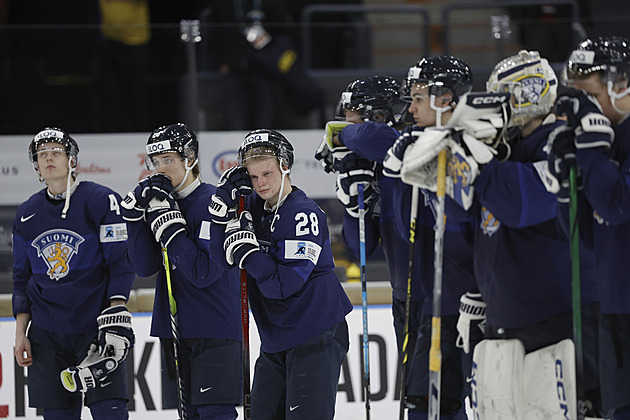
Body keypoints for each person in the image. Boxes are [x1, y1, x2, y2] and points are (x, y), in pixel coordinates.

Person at [208, 129, 352, 419]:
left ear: (285, 167)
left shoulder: (304, 214)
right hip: (276, 338)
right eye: (253, 177)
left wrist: (248, 255)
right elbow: (218, 260)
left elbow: (284, 285)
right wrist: (220, 209)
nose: (260, 184)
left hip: (315, 332)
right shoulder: (249, 206)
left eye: (267, 174)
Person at [314, 74, 428, 406]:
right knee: (416, 396)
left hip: (436, 291)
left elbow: (378, 138)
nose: (347, 124)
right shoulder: (373, 155)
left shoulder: (410, 141)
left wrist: (340, 134)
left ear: (377, 115)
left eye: (352, 116)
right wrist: (354, 205)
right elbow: (361, 245)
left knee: (437, 398)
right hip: (404, 293)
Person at [121, 123, 242, 419]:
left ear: (190, 158)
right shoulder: (159, 203)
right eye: (156, 162)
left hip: (215, 329)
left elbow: (204, 272)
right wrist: (135, 219)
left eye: (168, 160)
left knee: (215, 414)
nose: (160, 169)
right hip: (174, 329)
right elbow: (144, 266)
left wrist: (171, 229)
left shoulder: (215, 203)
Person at [12, 127, 135, 419]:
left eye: (56, 152)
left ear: (72, 160)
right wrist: (20, 334)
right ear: (36, 164)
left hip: (96, 328)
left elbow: (120, 261)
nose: (49, 158)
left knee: (110, 412)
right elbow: (21, 278)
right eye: (42, 154)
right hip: (47, 335)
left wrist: (116, 312)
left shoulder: (102, 200)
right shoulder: (26, 214)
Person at [382, 56, 477, 420]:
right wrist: (391, 174)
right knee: (425, 402)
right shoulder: (417, 143)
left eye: (419, 98)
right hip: (435, 301)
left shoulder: (479, 144)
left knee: (486, 401)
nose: (412, 107)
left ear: (445, 99)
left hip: (476, 301)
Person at [548, 35, 630, 419]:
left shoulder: (604, 141)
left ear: (622, 84)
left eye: (589, 97)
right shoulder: (603, 140)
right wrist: (568, 187)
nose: (582, 110)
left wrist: (592, 150)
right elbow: (583, 236)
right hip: (614, 304)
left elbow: (616, 206)